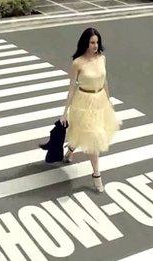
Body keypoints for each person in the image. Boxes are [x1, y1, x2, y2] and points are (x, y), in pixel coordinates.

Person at [60, 27, 122, 192]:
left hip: (100, 100)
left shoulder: (102, 58)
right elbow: (72, 87)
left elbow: (105, 81)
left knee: (85, 132)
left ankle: (70, 150)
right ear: (85, 43)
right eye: (92, 42)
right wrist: (64, 112)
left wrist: (109, 101)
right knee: (93, 136)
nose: (95, 46)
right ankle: (96, 174)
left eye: (97, 42)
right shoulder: (78, 63)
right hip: (83, 101)